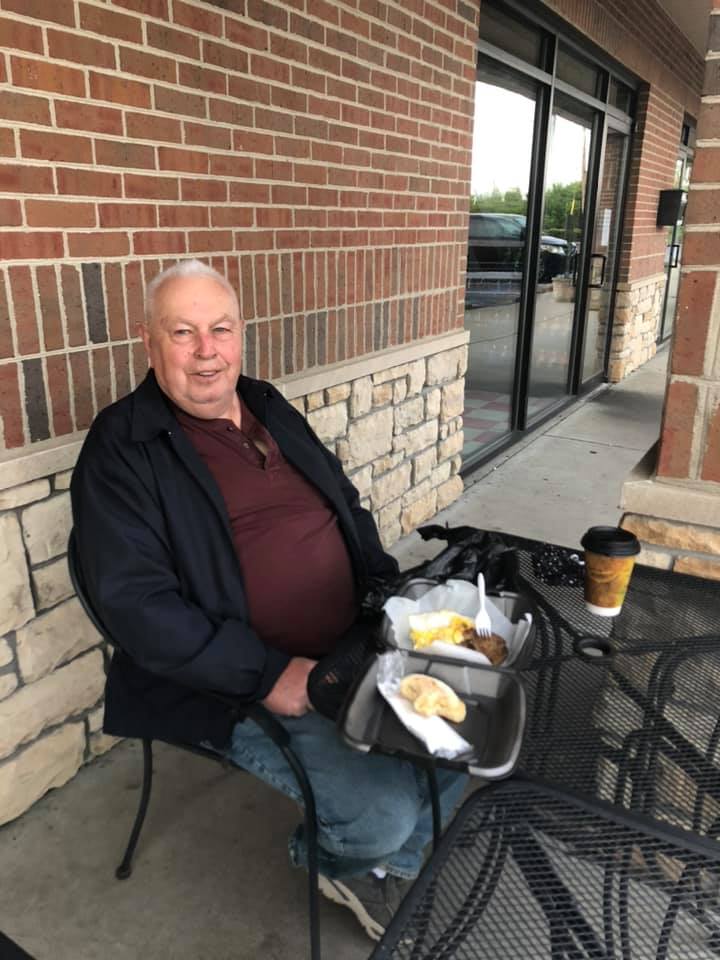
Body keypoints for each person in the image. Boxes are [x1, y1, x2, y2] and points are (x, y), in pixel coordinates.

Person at [70, 259, 467, 941]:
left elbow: (342, 501)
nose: (206, 352)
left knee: (463, 729)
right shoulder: (122, 447)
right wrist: (267, 674)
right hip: (237, 680)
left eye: (221, 329)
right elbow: (137, 609)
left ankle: (388, 863)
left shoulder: (266, 404)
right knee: (383, 813)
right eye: (183, 332)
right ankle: (340, 860)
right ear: (149, 342)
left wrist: (386, 589)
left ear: (241, 333)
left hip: (353, 639)